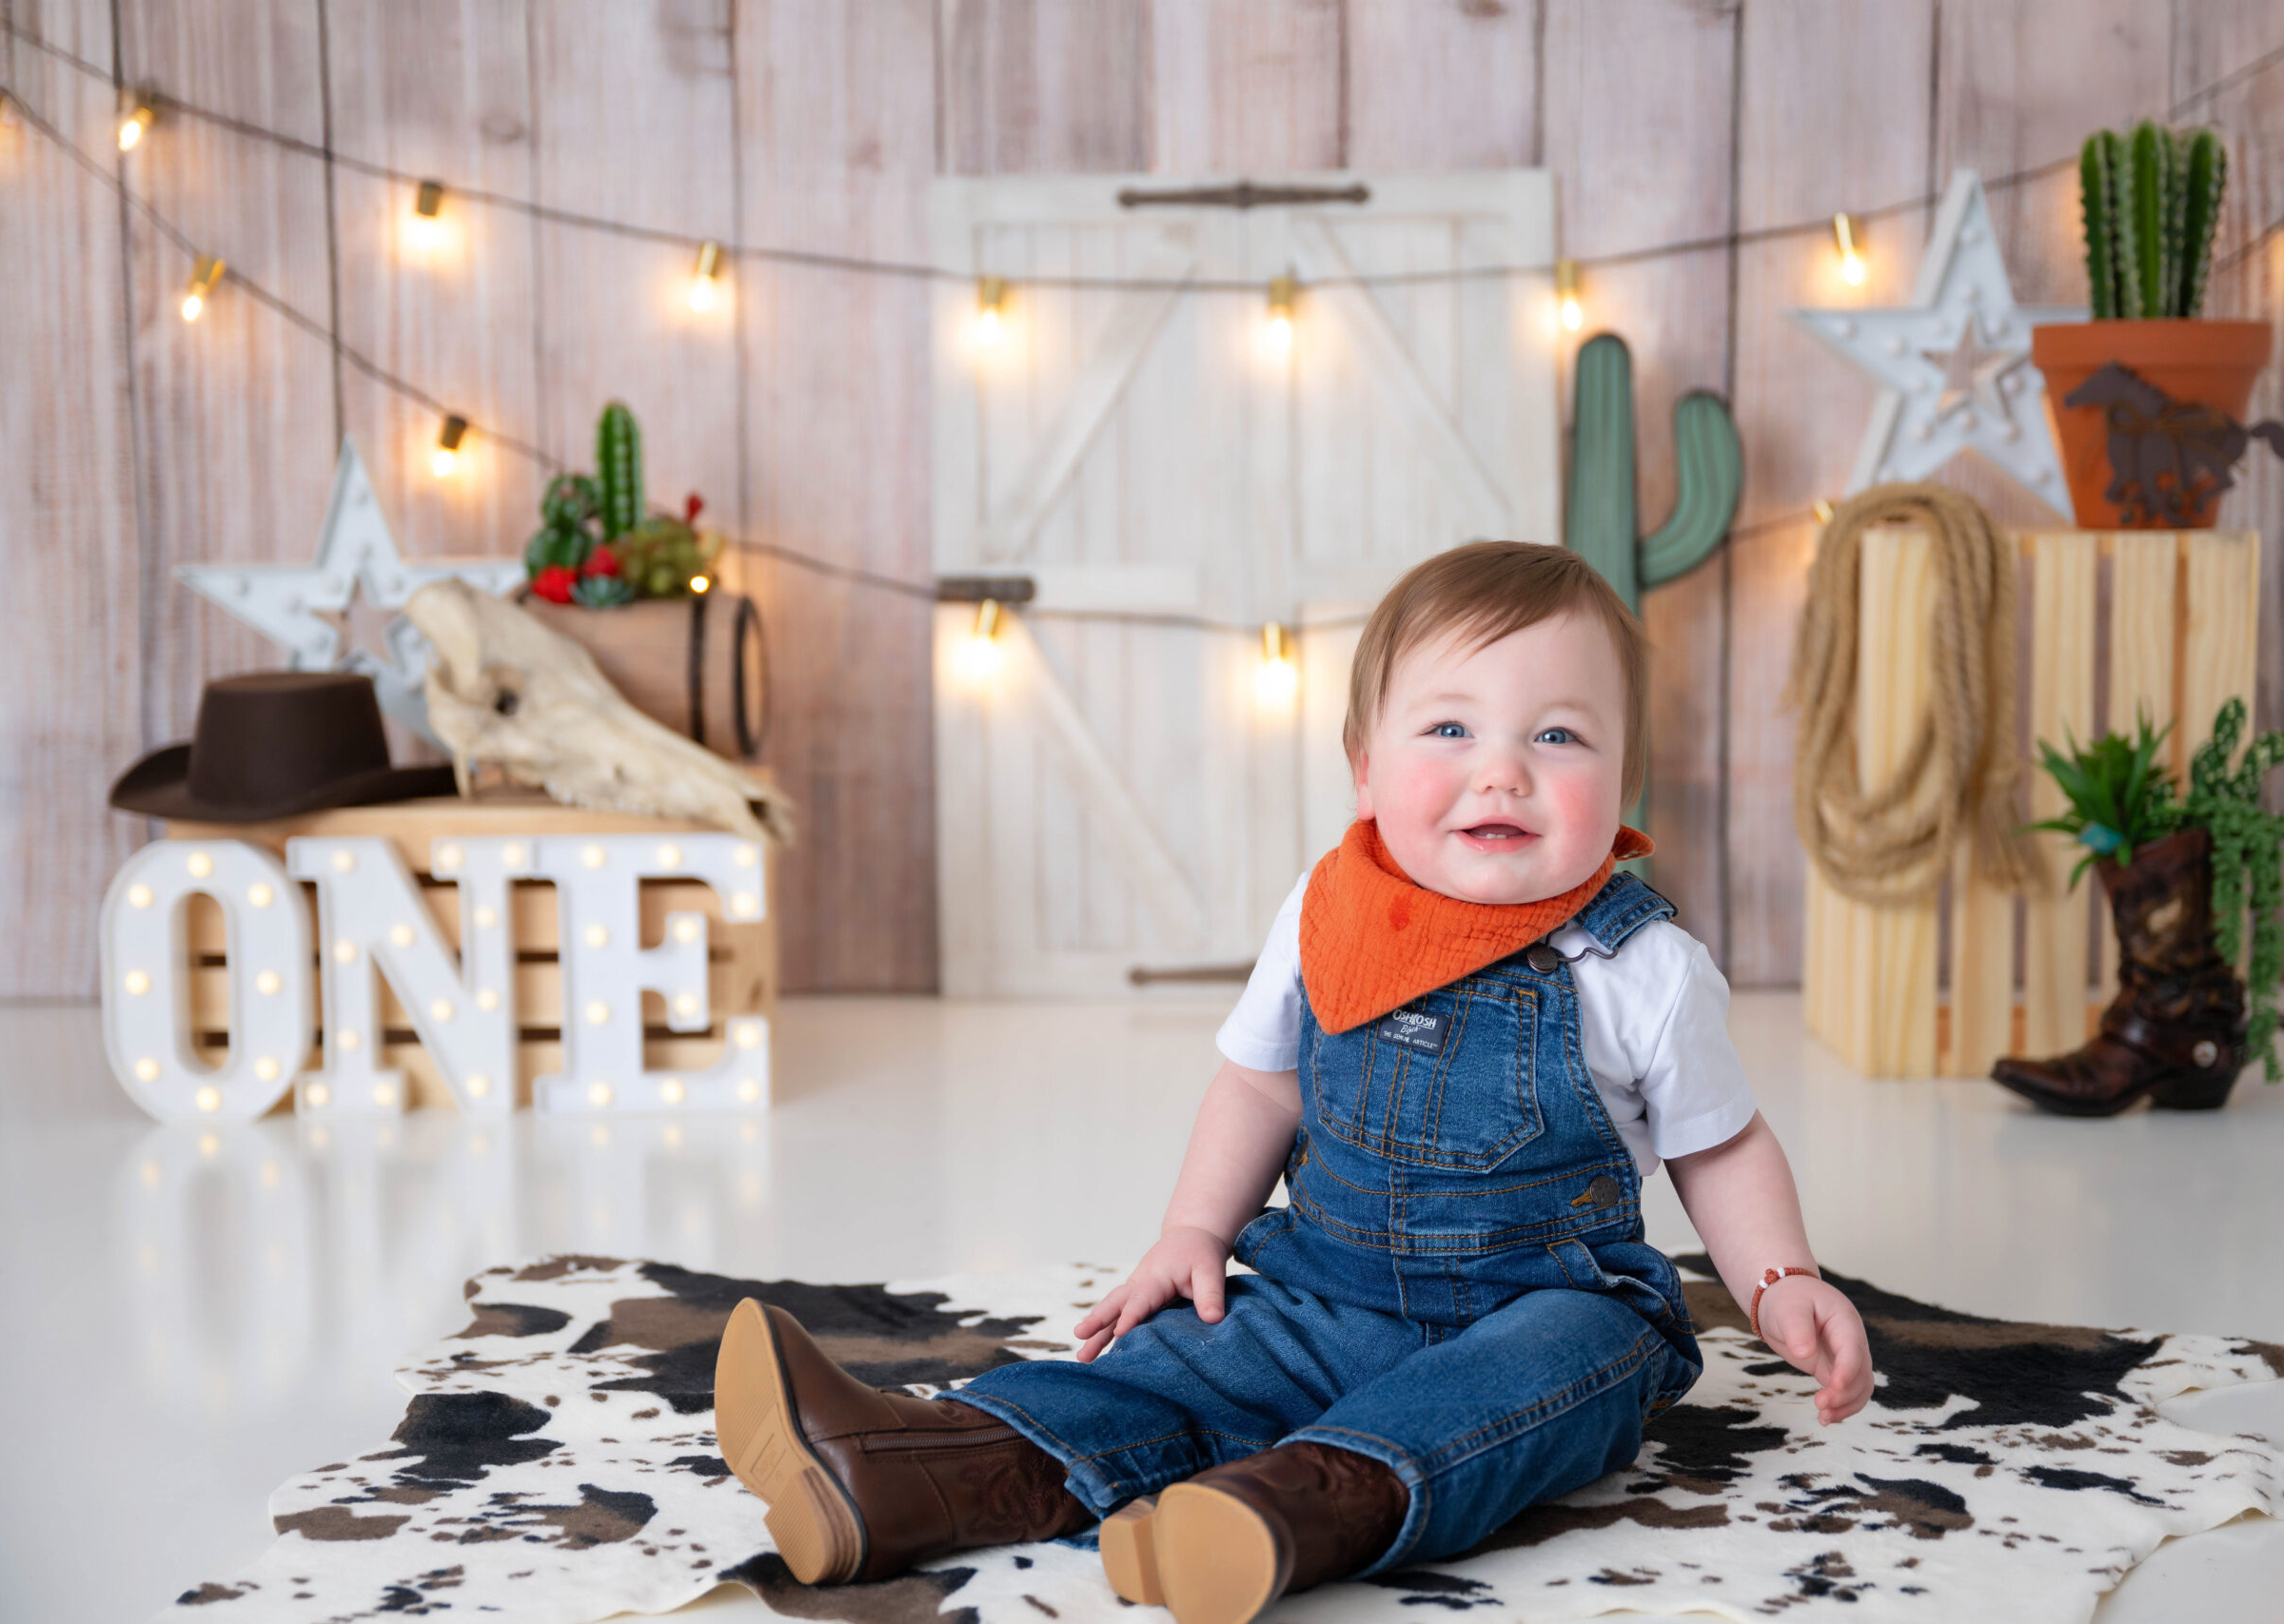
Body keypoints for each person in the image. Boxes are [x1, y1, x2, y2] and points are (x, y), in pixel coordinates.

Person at [712, 540, 1874, 1623]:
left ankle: (1294, 1507)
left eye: (1560, 739)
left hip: (1552, 1297)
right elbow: (1262, 1086)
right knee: (1183, 1363)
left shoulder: (1640, 965)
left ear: (1623, 778)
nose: (1503, 774)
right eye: (1451, 730)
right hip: (1329, 1288)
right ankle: (917, 1473)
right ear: (1365, 769)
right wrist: (1191, 1231)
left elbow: (1715, 1144)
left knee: (1544, 1385)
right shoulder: (1325, 913)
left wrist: (1777, 1279)